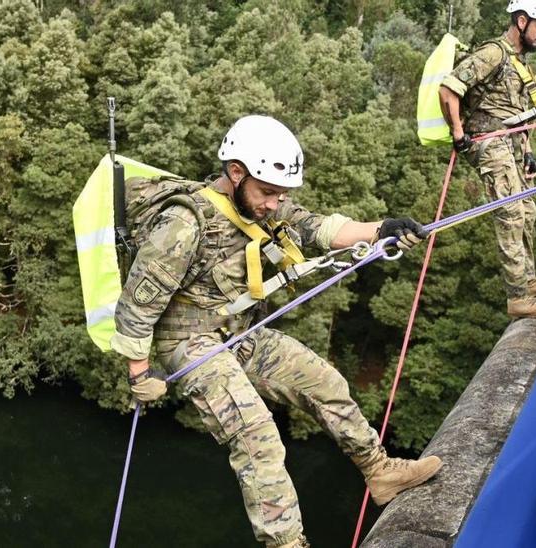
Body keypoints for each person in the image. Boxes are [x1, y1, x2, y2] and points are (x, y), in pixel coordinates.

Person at [111, 115, 442, 548]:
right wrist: (139, 373)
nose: (274, 203)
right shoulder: (184, 223)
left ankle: (379, 472)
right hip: (189, 343)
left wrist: (381, 229)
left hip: (238, 332)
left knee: (324, 382)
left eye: (281, 193)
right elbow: (138, 302)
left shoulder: (261, 204)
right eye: (267, 192)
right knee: (257, 437)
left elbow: (317, 227)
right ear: (236, 173)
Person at [437, 0, 536, 320]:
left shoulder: (519, 62)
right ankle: (517, 297)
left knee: (528, 210)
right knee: (510, 212)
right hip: (488, 143)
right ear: (521, 22)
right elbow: (448, 89)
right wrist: (458, 134)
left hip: (510, 145)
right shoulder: (493, 53)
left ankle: (529, 280)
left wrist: (528, 151)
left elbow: (518, 114)